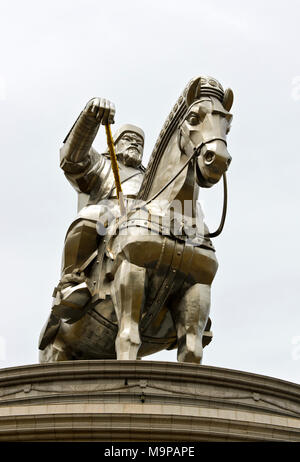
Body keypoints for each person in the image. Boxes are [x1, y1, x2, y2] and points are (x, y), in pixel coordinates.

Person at [39, 98, 145, 349]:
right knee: (92, 216)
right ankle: (71, 282)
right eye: (129, 139)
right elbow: (71, 160)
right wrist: (90, 119)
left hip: (146, 226)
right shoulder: (103, 165)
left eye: (140, 142)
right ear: (115, 143)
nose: (135, 144)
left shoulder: (150, 175)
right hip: (110, 218)